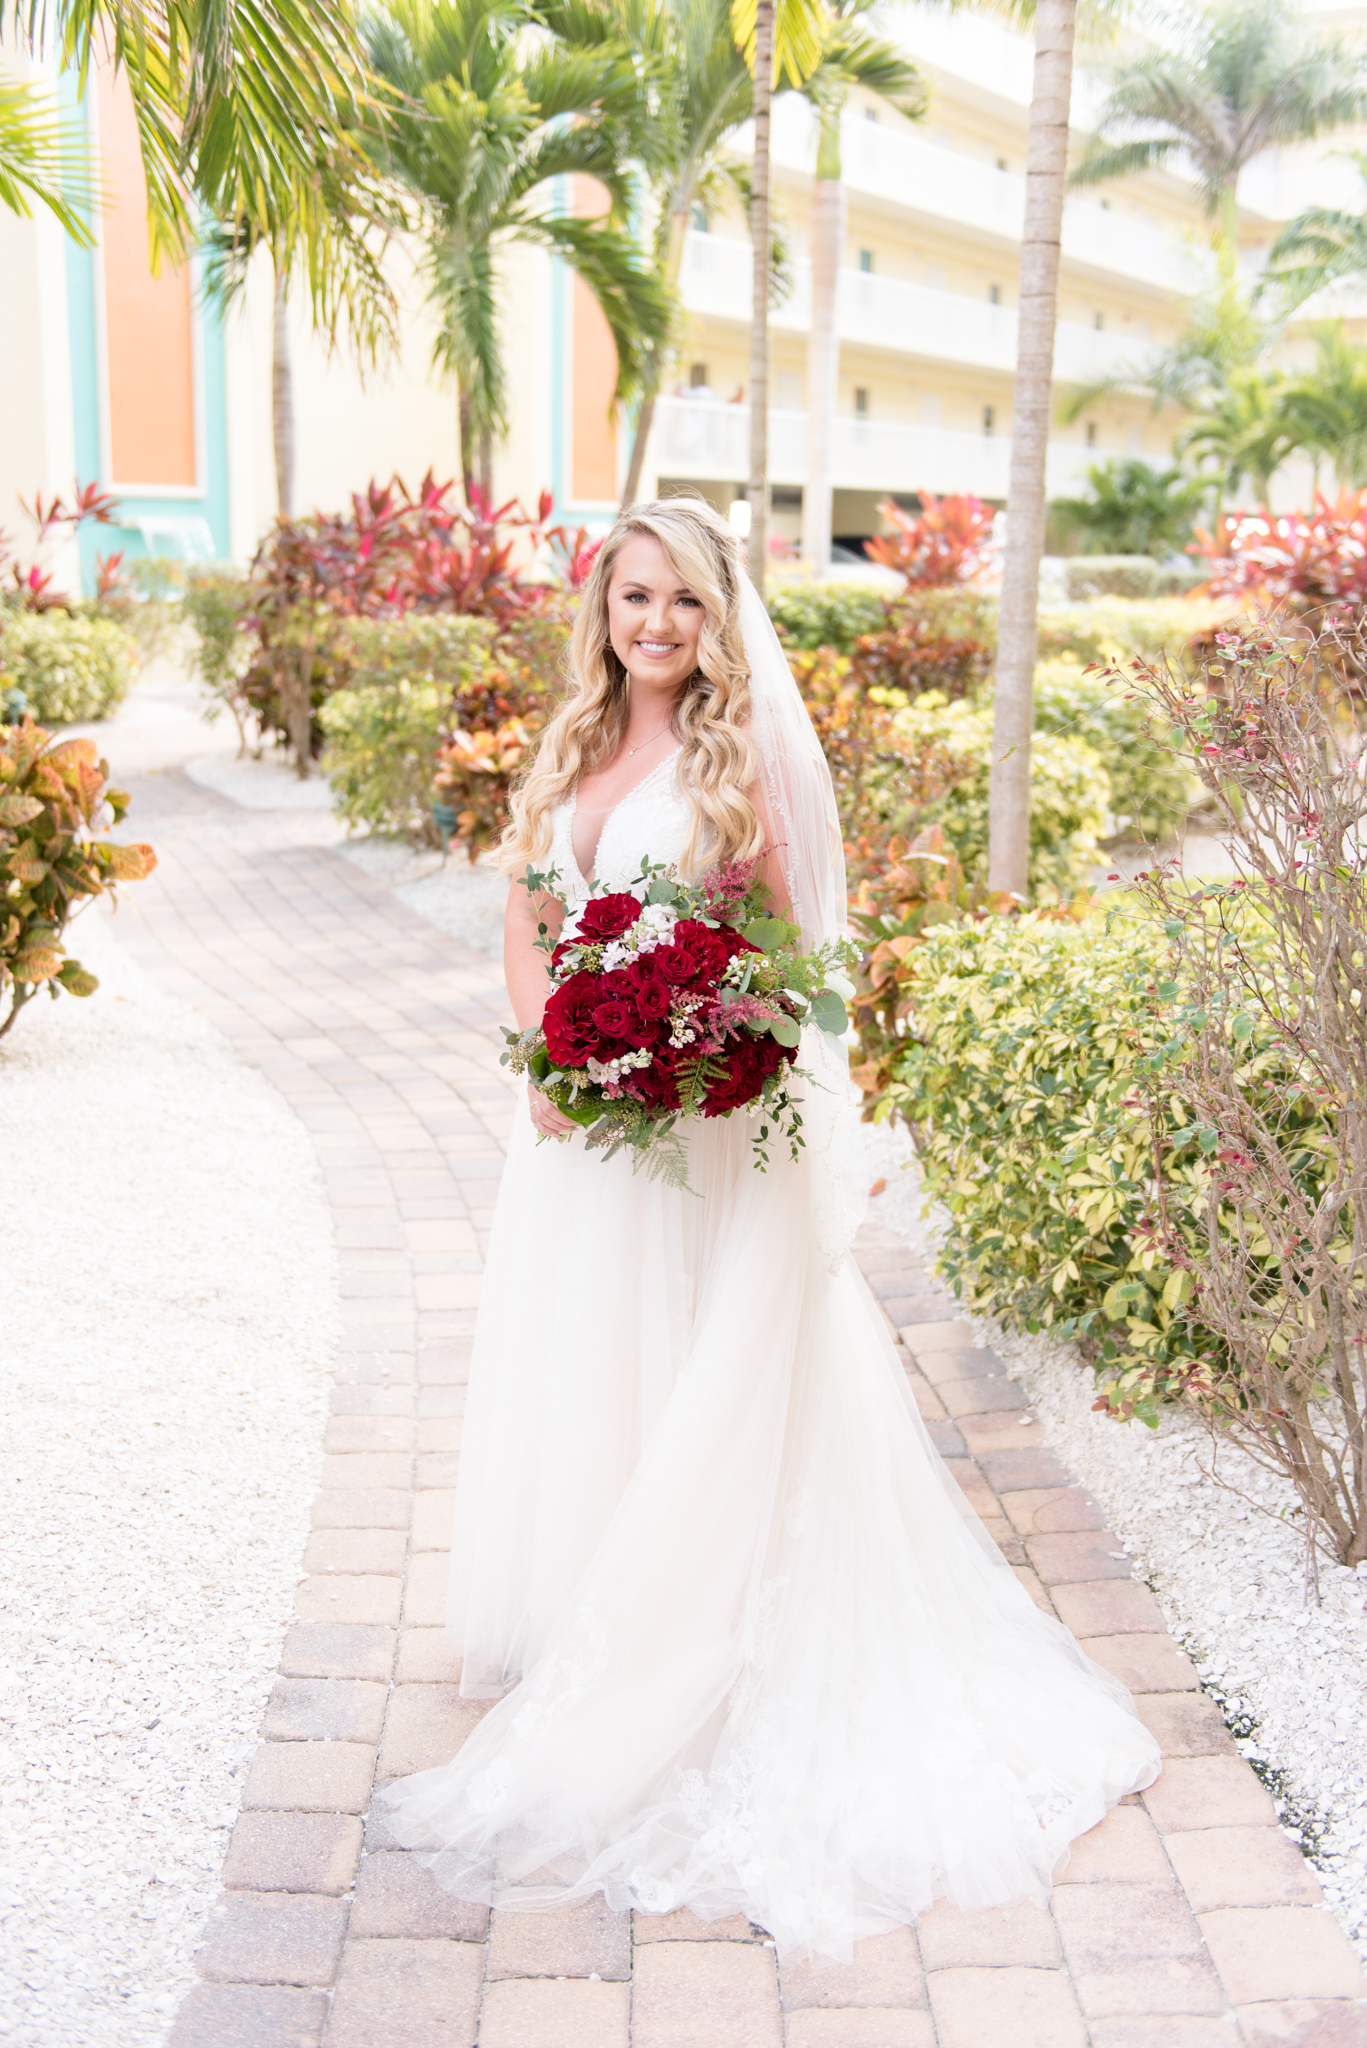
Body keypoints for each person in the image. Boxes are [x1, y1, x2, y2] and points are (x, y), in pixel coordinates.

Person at [375, 496, 1160, 1962]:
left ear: (717, 616)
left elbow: (798, 955)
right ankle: (600, 1612)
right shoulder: (570, 752)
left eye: (682, 601)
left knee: (704, 1372)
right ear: (600, 614)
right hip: (578, 1132)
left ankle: (704, 1639)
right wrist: (551, 1048)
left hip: (707, 1137)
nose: (656, 625)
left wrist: (700, 1043)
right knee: (596, 1361)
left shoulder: (744, 765)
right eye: (633, 600)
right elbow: (528, 915)